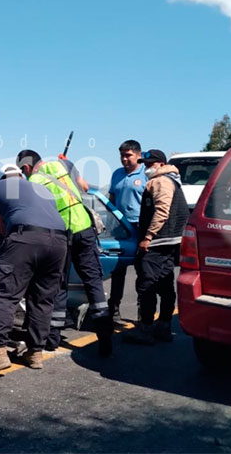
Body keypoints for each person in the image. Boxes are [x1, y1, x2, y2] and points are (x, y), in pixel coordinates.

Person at [0, 164, 68, 375]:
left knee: (6, 295)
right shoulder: (42, 189)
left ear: (2, 177)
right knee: (42, 299)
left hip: (25, 238)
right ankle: (35, 352)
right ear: (21, 175)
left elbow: (0, 228)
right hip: (59, 242)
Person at [18, 149, 114, 357]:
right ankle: (105, 338)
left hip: (62, 233)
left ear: (26, 167)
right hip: (85, 228)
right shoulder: (63, 165)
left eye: (22, 171)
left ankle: (52, 339)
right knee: (93, 283)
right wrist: (68, 164)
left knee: (58, 284)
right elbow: (85, 186)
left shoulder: (33, 181)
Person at [124, 149, 188, 345]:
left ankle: (147, 328)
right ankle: (164, 326)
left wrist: (148, 237)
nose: (146, 167)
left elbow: (162, 211)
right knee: (165, 283)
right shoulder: (173, 180)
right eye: (145, 164)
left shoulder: (161, 181)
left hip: (158, 241)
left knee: (147, 285)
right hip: (170, 241)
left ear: (160, 164)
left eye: (150, 164)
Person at [106, 139, 146, 326]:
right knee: (118, 271)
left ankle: (142, 314)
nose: (124, 159)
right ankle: (113, 309)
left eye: (128, 155)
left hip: (139, 228)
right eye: (122, 155)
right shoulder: (117, 174)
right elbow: (111, 200)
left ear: (139, 155)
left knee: (142, 272)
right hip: (120, 229)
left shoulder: (146, 174)